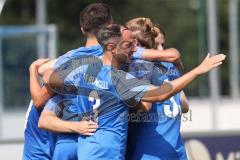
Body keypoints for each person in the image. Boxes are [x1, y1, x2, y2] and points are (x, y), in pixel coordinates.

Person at [45, 23, 225, 160]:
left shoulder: (86, 69)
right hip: (109, 155)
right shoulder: (119, 79)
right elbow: (162, 93)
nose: (135, 50)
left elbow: (50, 78)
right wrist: (198, 70)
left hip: (87, 153)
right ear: (111, 48)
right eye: (128, 46)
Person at [23, 3, 111, 159]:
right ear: (110, 25)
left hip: (49, 142)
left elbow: (38, 99)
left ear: (82, 29)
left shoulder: (69, 60)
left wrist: (33, 69)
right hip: (71, 140)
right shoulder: (115, 57)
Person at [127, 19, 190, 159]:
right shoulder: (171, 67)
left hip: (150, 151)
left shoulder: (137, 66)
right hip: (175, 150)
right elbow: (184, 105)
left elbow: (144, 107)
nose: (162, 50)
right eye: (156, 46)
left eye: (163, 45)